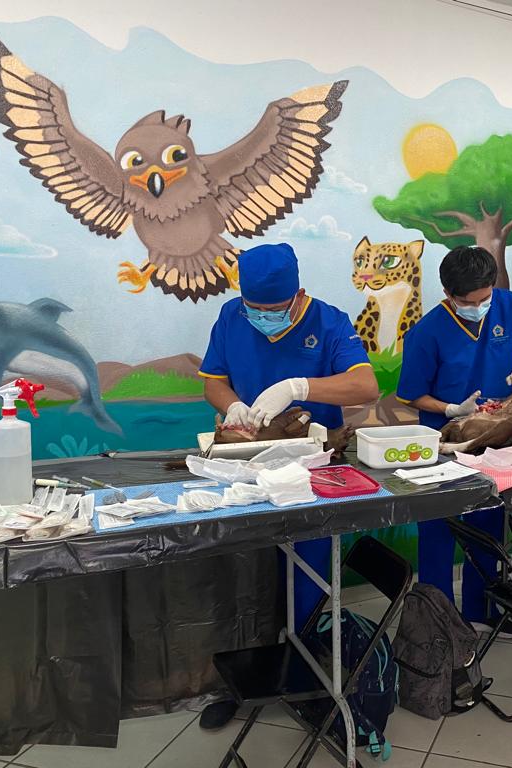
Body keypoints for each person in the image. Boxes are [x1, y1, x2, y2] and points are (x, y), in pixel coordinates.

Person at [197, 242, 378, 728]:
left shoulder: (329, 322)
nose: (261, 317)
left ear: (297, 296)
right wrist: (233, 405)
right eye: (253, 307)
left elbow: (366, 386)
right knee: (251, 574)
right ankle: (247, 680)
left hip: (312, 469)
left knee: (308, 574)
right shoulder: (232, 316)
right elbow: (213, 379)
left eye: (273, 309)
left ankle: (312, 679)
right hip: (249, 465)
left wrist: (299, 387)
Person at [397, 246, 512, 631]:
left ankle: (481, 610)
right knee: (438, 529)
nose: (479, 308)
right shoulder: (427, 332)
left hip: (495, 440)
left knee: (488, 525)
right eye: (469, 302)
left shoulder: (509, 306)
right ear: (448, 294)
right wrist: (452, 409)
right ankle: (440, 622)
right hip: (443, 444)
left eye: (485, 298)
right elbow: (411, 394)